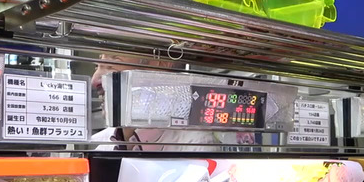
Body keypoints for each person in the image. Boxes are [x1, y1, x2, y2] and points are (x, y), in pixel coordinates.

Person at [89, 53, 255, 151]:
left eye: (111, 65)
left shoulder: (195, 146)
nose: (95, 81)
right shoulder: (100, 145)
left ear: (159, 66)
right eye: (98, 65)